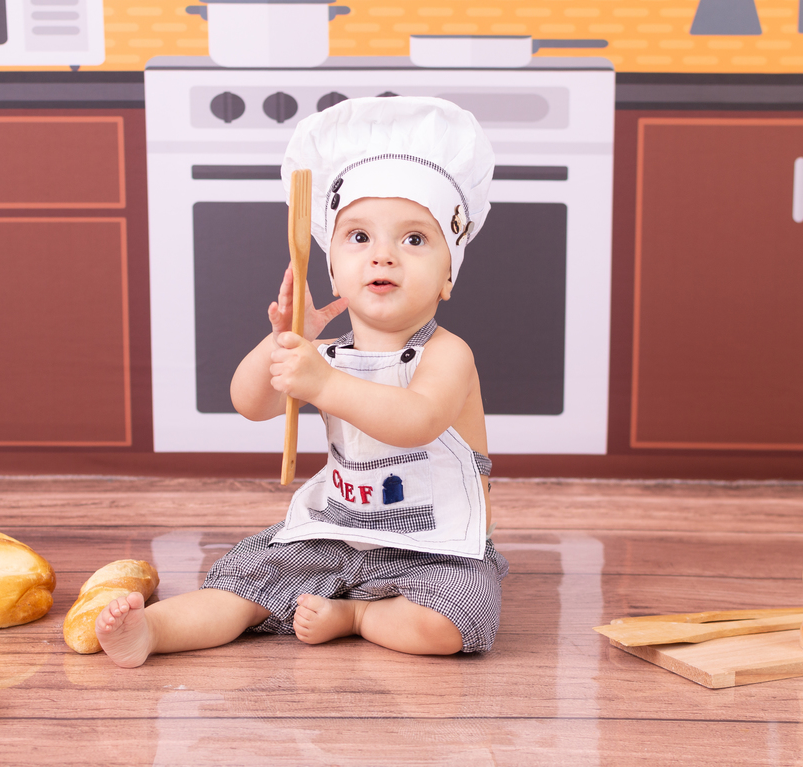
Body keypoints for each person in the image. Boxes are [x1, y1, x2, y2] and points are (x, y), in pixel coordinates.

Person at [96, 96, 507, 667]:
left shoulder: (447, 354)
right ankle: (153, 633)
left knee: (453, 622)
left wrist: (324, 384)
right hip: (337, 530)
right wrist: (287, 341)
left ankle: (359, 615)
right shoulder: (326, 355)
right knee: (246, 586)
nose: (383, 255)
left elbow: (417, 422)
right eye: (359, 237)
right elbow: (250, 402)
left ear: (447, 276)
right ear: (334, 265)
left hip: (435, 546)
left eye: (413, 239)